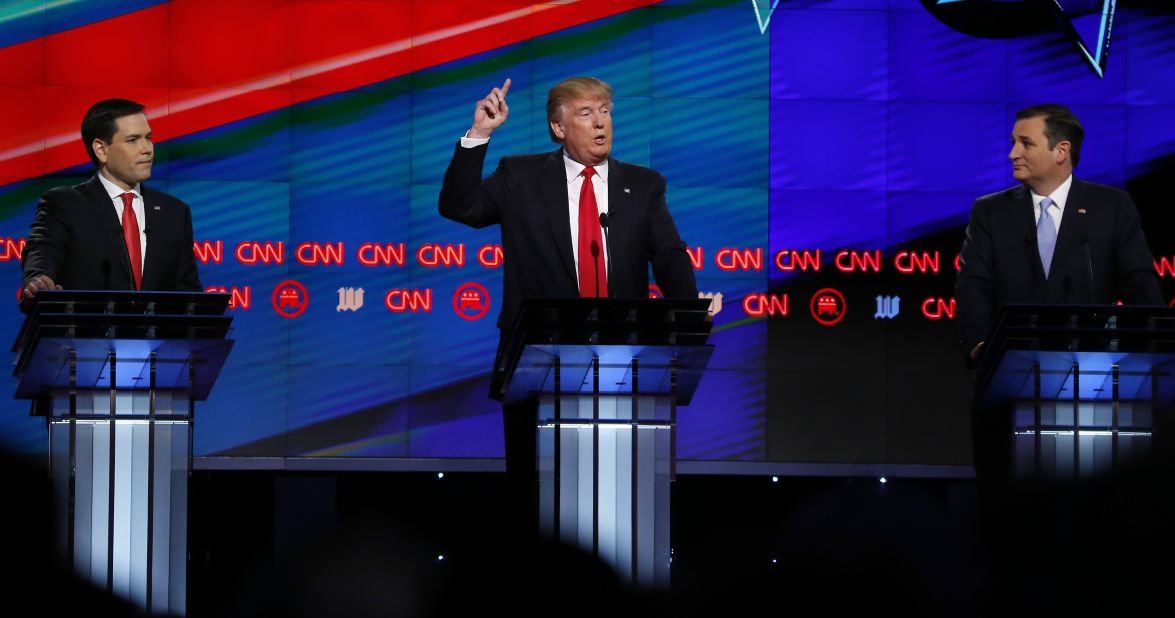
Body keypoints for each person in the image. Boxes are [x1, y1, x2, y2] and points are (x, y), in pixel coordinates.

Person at [438, 76, 698, 530]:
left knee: (620, 503)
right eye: (586, 114)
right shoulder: (519, 176)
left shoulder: (644, 184)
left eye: (605, 112)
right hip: (538, 365)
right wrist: (479, 133)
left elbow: (669, 256)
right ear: (558, 128)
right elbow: (460, 207)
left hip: (623, 363)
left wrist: (689, 311)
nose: (600, 123)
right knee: (536, 501)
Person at [955, 104, 1164, 509]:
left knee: (1087, 506)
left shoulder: (1111, 207)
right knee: (1011, 507)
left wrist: (1151, 347)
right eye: (1014, 142)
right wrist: (981, 345)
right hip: (1010, 381)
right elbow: (972, 284)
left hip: (1093, 385)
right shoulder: (990, 212)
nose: (1012, 152)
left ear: (1060, 150)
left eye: (1025, 142)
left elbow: (1141, 283)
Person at [20, 98, 202, 305]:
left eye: (148, 137)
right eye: (133, 140)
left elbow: (189, 295)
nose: (147, 149)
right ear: (101, 149)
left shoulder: (174, 212)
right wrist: (38, 280)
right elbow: (42, 252)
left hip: (154, 337)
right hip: (84, 334)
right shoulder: (65, 203)